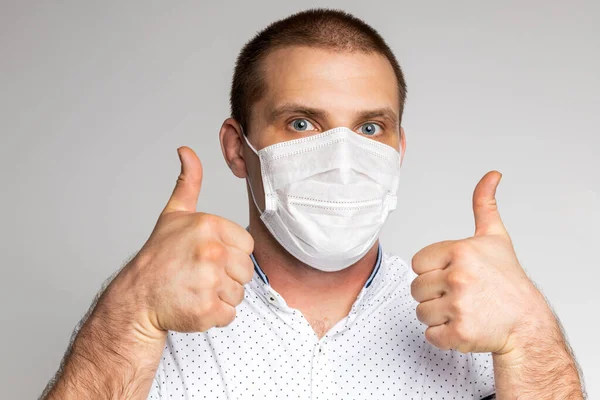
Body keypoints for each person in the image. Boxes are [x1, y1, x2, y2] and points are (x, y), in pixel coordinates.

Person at [41, 8, 585, 399]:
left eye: (371, 127)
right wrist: (129, 315)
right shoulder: (157, 320)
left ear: (398, 148)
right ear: (237, 148)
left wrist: (528, 335)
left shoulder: (474, 322)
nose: (342, 157)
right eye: (302, 123)